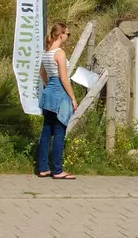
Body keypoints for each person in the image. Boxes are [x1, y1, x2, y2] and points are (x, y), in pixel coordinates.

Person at [37, 22, 78, 180]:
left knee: (47, 131)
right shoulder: (59, 53)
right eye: (67, 34)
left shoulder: (47, 51)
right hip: (60, 94)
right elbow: (64, 78)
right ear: (61, 34)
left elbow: (42, 73)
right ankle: (58, 170)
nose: (68, 37)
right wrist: (73, 98)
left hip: (48, 94)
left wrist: (48, 85)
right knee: (60, 132)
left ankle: (43, 168)